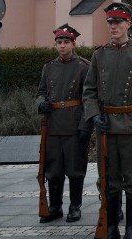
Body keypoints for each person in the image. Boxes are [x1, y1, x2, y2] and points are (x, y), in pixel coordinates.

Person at [83, 2, 132, 239]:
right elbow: (89, 91)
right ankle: (112, 227)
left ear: (128, 24)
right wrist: (94, 116)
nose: (113, 27)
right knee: (108, 180)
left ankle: (131, 229)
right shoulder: (99, 55)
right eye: (110, 23)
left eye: (118, 22)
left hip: (131, 127)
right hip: (106, 129)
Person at [36, 23, 92, 223]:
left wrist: (86, 125)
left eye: (66, 42)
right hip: (53, 125)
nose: (62, 46)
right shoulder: (49, 67)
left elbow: (89, 98)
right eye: (59, 42)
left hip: (74, 124)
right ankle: (55, 206)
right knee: (54, 169)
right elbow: (41, 92)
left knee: (75, 169)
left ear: (73, 44)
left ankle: (75, 206)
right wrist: (41, 103)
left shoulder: (83, 67)